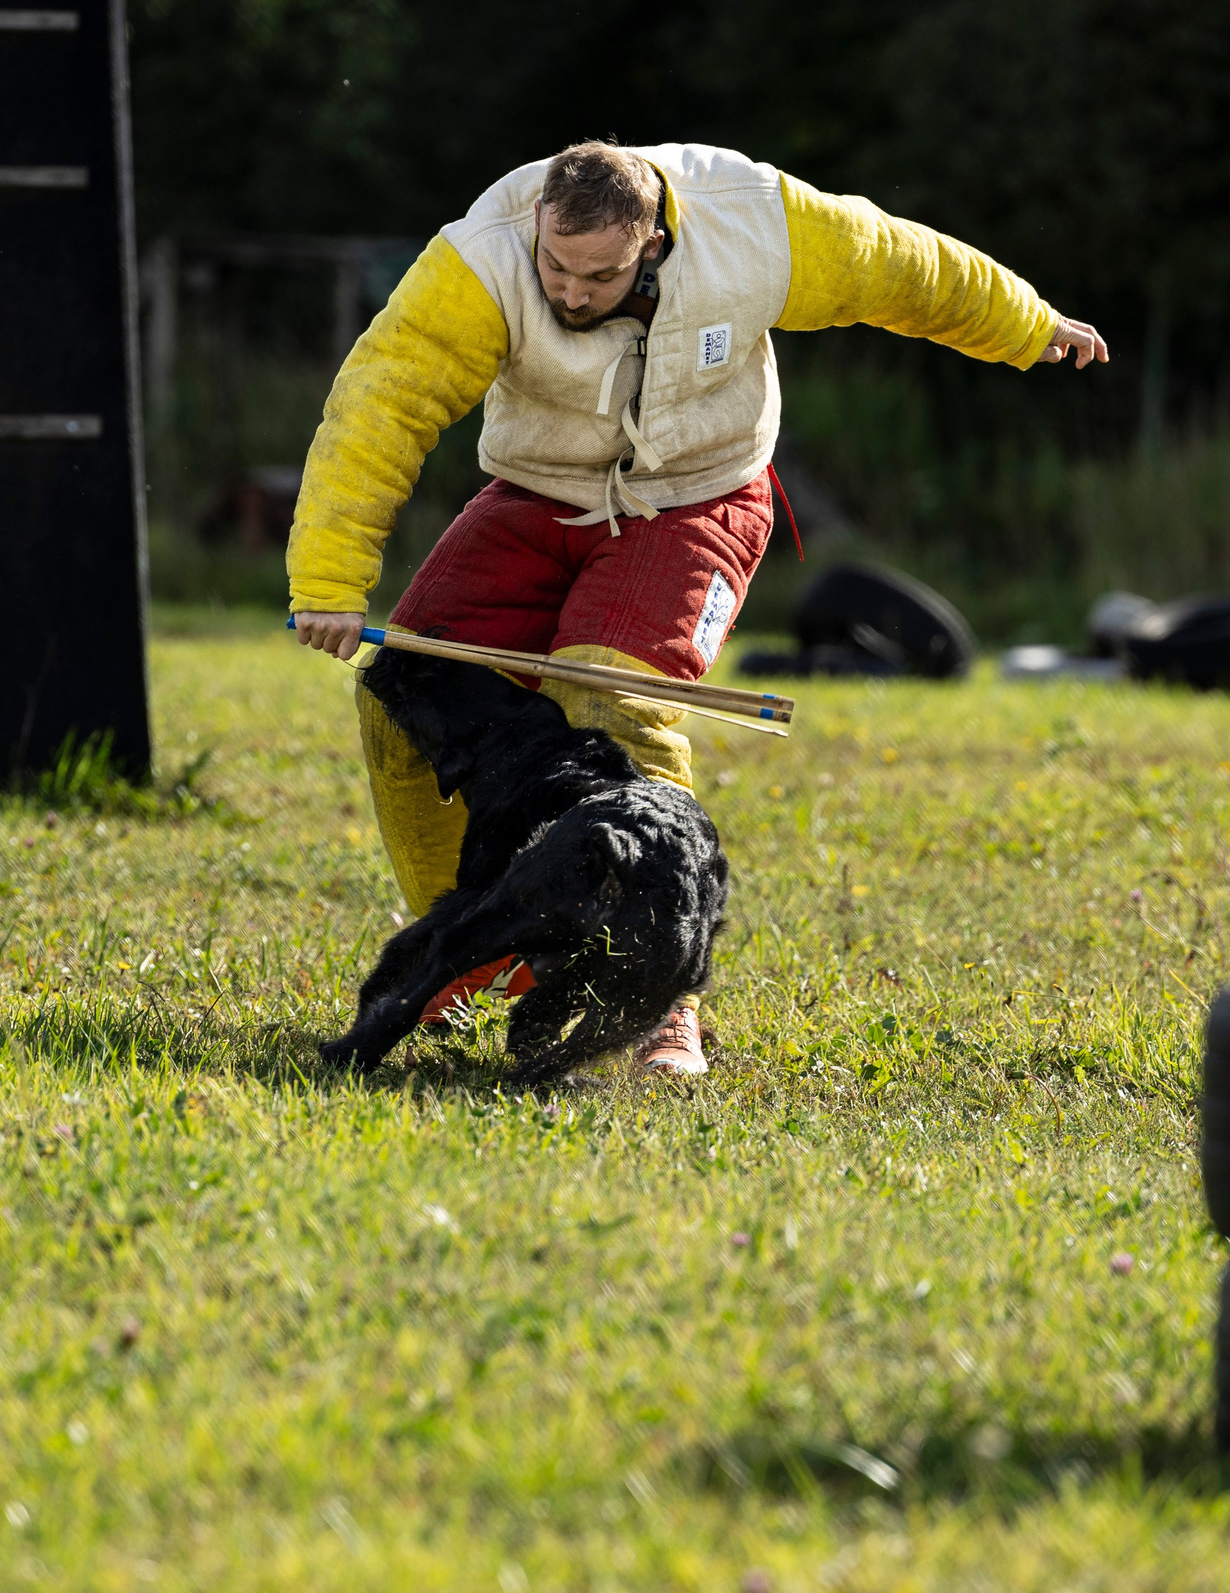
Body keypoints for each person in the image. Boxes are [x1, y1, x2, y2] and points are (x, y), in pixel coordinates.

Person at [288, 141, 1107, 1077]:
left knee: (615, 700)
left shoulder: (751, 221)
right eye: (555, 264)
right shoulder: (481, 257)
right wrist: (328, 583)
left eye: (597, 273)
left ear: (655, 241)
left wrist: (1025, 323)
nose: (568, 288)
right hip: (536, 489)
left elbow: (895, 264)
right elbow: (379, 406)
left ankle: (657, 1002)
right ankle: (472, 954)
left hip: (700, 494)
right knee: (404, 693)